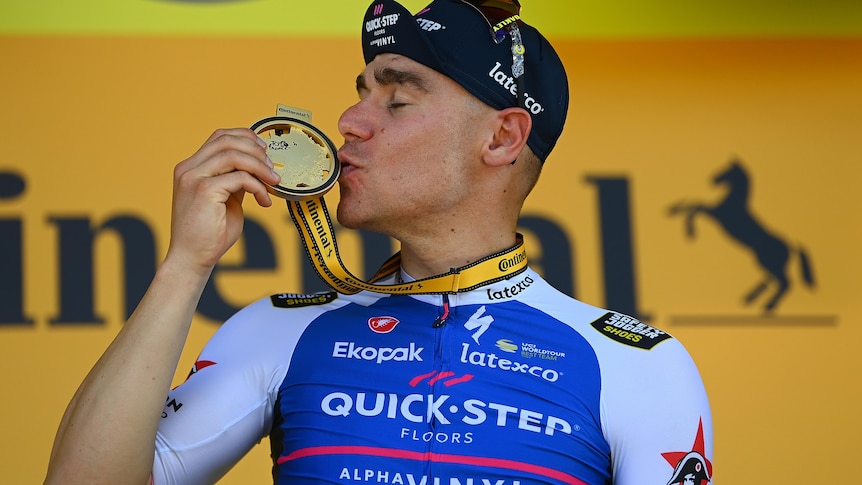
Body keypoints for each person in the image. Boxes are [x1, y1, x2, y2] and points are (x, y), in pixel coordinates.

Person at [45, 1, 713, 484]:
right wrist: (184, 267)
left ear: (503, 138)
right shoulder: (277, 333)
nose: (348, 122)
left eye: (396, 101)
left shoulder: (638, 366)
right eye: (361, 92)